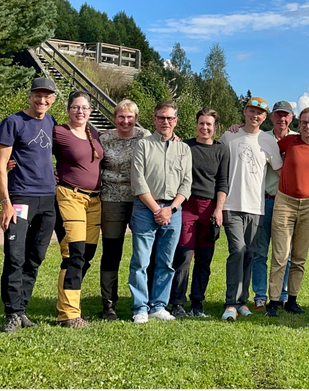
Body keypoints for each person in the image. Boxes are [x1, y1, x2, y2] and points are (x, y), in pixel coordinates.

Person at [0, 77, 59, 333]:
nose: (42, 100)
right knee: (15, 256)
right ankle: (11, 313)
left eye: (48, 96)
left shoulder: (51, 122)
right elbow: (0, 165)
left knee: (35, 256)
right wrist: (5, 202)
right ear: (30, 96)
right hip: (20, 198)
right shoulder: (13, 122)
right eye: (38, 95)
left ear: (53, 99)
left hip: (48, 200)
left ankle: (22, 310)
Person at [128, 101, 192, 324]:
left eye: (170, 118)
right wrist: (157, 209)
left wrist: (171, 209)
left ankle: (158, 305)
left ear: (176, 121)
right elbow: (138, 180)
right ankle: (140, 307)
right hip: (146, 208)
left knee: (166, 262)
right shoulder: (143, 145)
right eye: (161, 117)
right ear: (154, 119)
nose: (166, 122)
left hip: (174, 210)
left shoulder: (183, 149)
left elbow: (186, 183)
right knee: (141, 261)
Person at [219, 96, 283, 321]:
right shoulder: (230, 135)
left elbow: (281, 171)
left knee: (250, 254)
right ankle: (230, 303)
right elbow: (217, 164)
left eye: (260, 113)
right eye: (251, 111)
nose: (255, 116)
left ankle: (242, 301)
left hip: (256, 207)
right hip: (232, 204)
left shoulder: (268, 141)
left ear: (265, 117)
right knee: (237, 251)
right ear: (245, 112)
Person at [168, 108, 229, 318]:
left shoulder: (222, 150)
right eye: (201, 123)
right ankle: (177, 302)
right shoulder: (184, 146)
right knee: (183, 256)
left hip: (209, 209)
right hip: (187, 206)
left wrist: (219, 209)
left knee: (204, 259)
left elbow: (223, 182)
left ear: (215, 127)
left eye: (209, 124)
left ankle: (197, 303)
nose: (205, 127)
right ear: (196, 124)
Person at [265, 107, 309, 317]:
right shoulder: (289, 142)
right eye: (304, 122)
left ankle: (292, 299)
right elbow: (264, 145)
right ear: (298, 124)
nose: (308, 126)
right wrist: (237, 130)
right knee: (280, 255)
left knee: (299, 257)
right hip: (285, 203)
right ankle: (273, 301)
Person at [53, 90, 105, 328]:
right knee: (74, 254)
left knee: (87, 255)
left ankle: (68, 301)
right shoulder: (59, 132)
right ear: (68, 109)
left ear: (90, 111)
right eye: (75, 107)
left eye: (84, 107)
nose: (80, 111)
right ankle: (69, 315)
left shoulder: (92, 133)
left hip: (94, 201)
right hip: (70, 197)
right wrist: (13, 163)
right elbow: (35, 153)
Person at [97, 99, 151, 321]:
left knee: (144, 252)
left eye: (130, 117)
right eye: (121, 116)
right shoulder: (104, 139)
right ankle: (108, 304)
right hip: (111, 199)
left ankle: (144, 302)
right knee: (111, 252)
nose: (125, 121)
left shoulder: (145, 136)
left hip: (141, 199)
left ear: (136, 118)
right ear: (115, 117)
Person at [252, 101, 295, 309]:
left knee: (284, 253)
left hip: (287, 203)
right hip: (264, 200)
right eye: (278, 115)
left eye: (286, 115)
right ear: (271, 117)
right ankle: (260, 294)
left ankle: (282, 294)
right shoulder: (260, 137)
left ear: (291, 118)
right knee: (260, 252)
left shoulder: (297, 139)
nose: (282, 119)